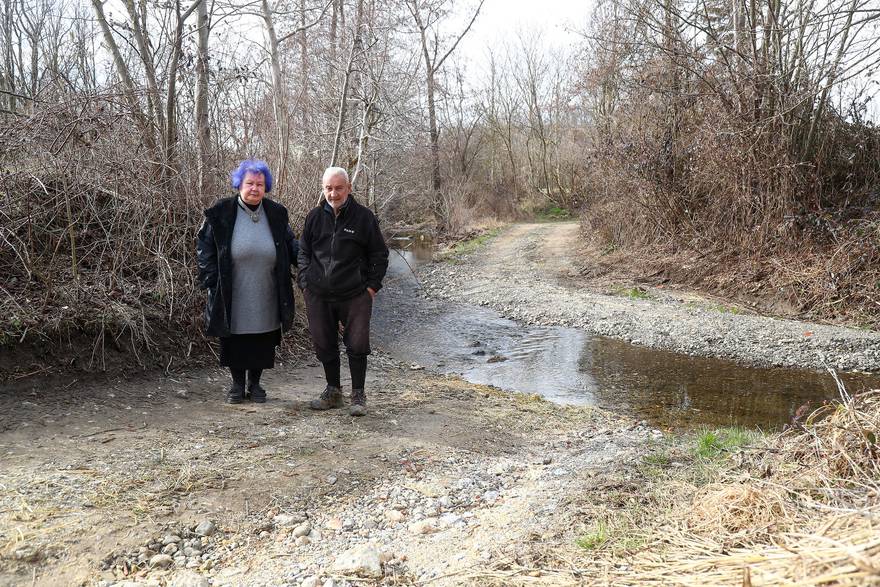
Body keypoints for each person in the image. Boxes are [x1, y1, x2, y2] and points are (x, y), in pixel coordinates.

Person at [196, 159, 299, 404]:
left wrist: (309, 261)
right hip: (232, 287)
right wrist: (212, 280)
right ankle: (236, 384)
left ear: (266, 187)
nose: (255, 188)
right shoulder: (221, 212)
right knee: (235, 337)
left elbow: (290, 245)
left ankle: (255, 384)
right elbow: (205, 248)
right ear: (239, 185)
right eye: (250, 183)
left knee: (263, 337)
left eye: (260, 184)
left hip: (268, 288)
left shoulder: (276, 214)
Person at [298, 166, 389, 416]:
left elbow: (379, 255)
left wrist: (371, 287)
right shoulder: (314, 217)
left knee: (357, 344)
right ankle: (333, 391)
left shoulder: (364, 218)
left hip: (355, 293)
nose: (333, 194)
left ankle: (358, 394)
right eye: (328, 188)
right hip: (318, 293)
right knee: (323, 343)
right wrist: (305, 282)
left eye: (339, 188)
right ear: (323, 189)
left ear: (348, 188)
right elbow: (303, 251)